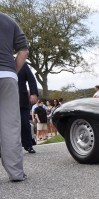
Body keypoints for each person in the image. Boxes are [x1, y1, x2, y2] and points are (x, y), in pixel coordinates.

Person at [0, 12, 29, 182]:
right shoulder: (9, 21)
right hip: (7, 75)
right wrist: (13, 72)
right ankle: (16, 173)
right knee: (10, 126)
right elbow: (23, 51)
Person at [18, 63, 38, 154]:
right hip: (5, 100)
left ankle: (28, 145)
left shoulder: (21, 63)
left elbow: (31, 79)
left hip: (22, 100)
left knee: (25, 124)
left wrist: (33, 93)